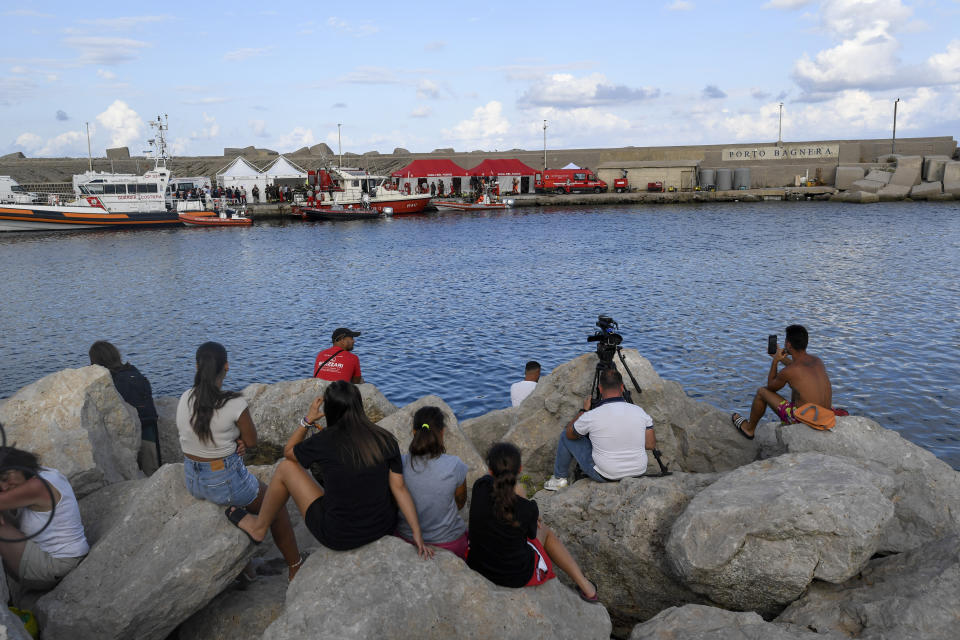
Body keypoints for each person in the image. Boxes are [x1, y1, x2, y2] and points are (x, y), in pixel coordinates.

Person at [225, 380, 432, 558]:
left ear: (330, 411)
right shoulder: (385, 438)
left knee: (285, 468)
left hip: (339, 536)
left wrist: (307, 421)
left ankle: (259, 528)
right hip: (382, 528)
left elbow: (289, 452)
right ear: (359, 406)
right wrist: (417, 533)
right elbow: (399, 488)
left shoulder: (323, 440)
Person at [176, 342, 302, 580]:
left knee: (240, 492)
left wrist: (232, 443)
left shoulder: (185, 397)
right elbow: (252, 441)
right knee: (274, 504)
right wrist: (237, 442)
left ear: (196, 367)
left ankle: (244, 568)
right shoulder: (233, 403)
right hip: (220, 481)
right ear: (226, 367)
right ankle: (295, 566)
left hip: (193, 479)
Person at [467, 442, 598, 603]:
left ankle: (585, 586)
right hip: (516, 576)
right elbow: (531, 533)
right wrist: (522, 496)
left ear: (490, 470)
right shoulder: (527, 509)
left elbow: (491, 486)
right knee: (545, 531)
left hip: (479, 566)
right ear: (520, 470)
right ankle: (586, 587)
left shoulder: (479, 486)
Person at [543, 368, 655, 490]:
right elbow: (650, 445)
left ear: (600, 389)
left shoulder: (591, 416)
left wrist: (583, 411)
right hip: (638, 471)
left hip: (606, 475)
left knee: (566, 434)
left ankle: (559, 480)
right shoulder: (640, 411)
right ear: (622, 387)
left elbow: (570, 435)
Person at [0, 442, 89, 591]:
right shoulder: (47, 473)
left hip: (54, 566)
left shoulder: (37, 486)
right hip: (59, 559)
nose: (3, 487)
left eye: (4, 478)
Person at [731, 324, 838, 440]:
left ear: (788, 344)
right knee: (797, 387)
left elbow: (770, 387)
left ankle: (749, 429)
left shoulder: (790, 371)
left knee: (762, 392)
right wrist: (781, 358)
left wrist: (775, 362)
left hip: (806, 421)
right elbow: (798, 370)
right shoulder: (817, 361)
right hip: (825, 415)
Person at [395, 406, 468, 558]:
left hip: (405, 538)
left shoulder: (399, 464)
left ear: (414, 432)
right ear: (442, 432)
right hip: (449, 542)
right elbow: (460, 502)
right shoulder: (455, 465)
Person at [89, 341, 162, 475]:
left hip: (128, 431)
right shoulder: (132, 370)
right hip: (149, 426)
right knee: (153, 471)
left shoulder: (109, 380)